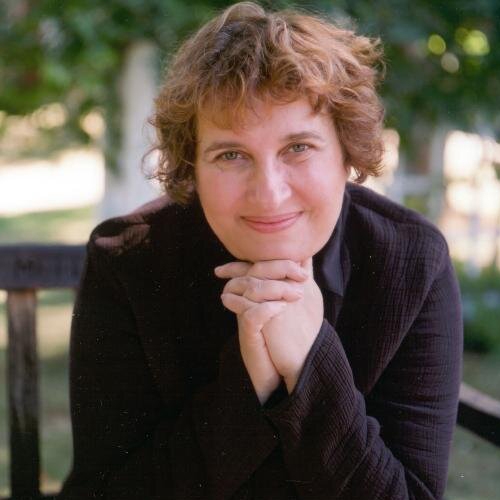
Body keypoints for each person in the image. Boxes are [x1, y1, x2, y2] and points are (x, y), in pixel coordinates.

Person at [58, 2, 462, 499]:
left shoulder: (412, 262)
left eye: (298, 148)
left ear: (347, 153)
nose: (269, 194)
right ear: (192, 167)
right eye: (231, 154)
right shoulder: (127, 261)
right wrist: (248, 385)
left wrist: (311, 362)